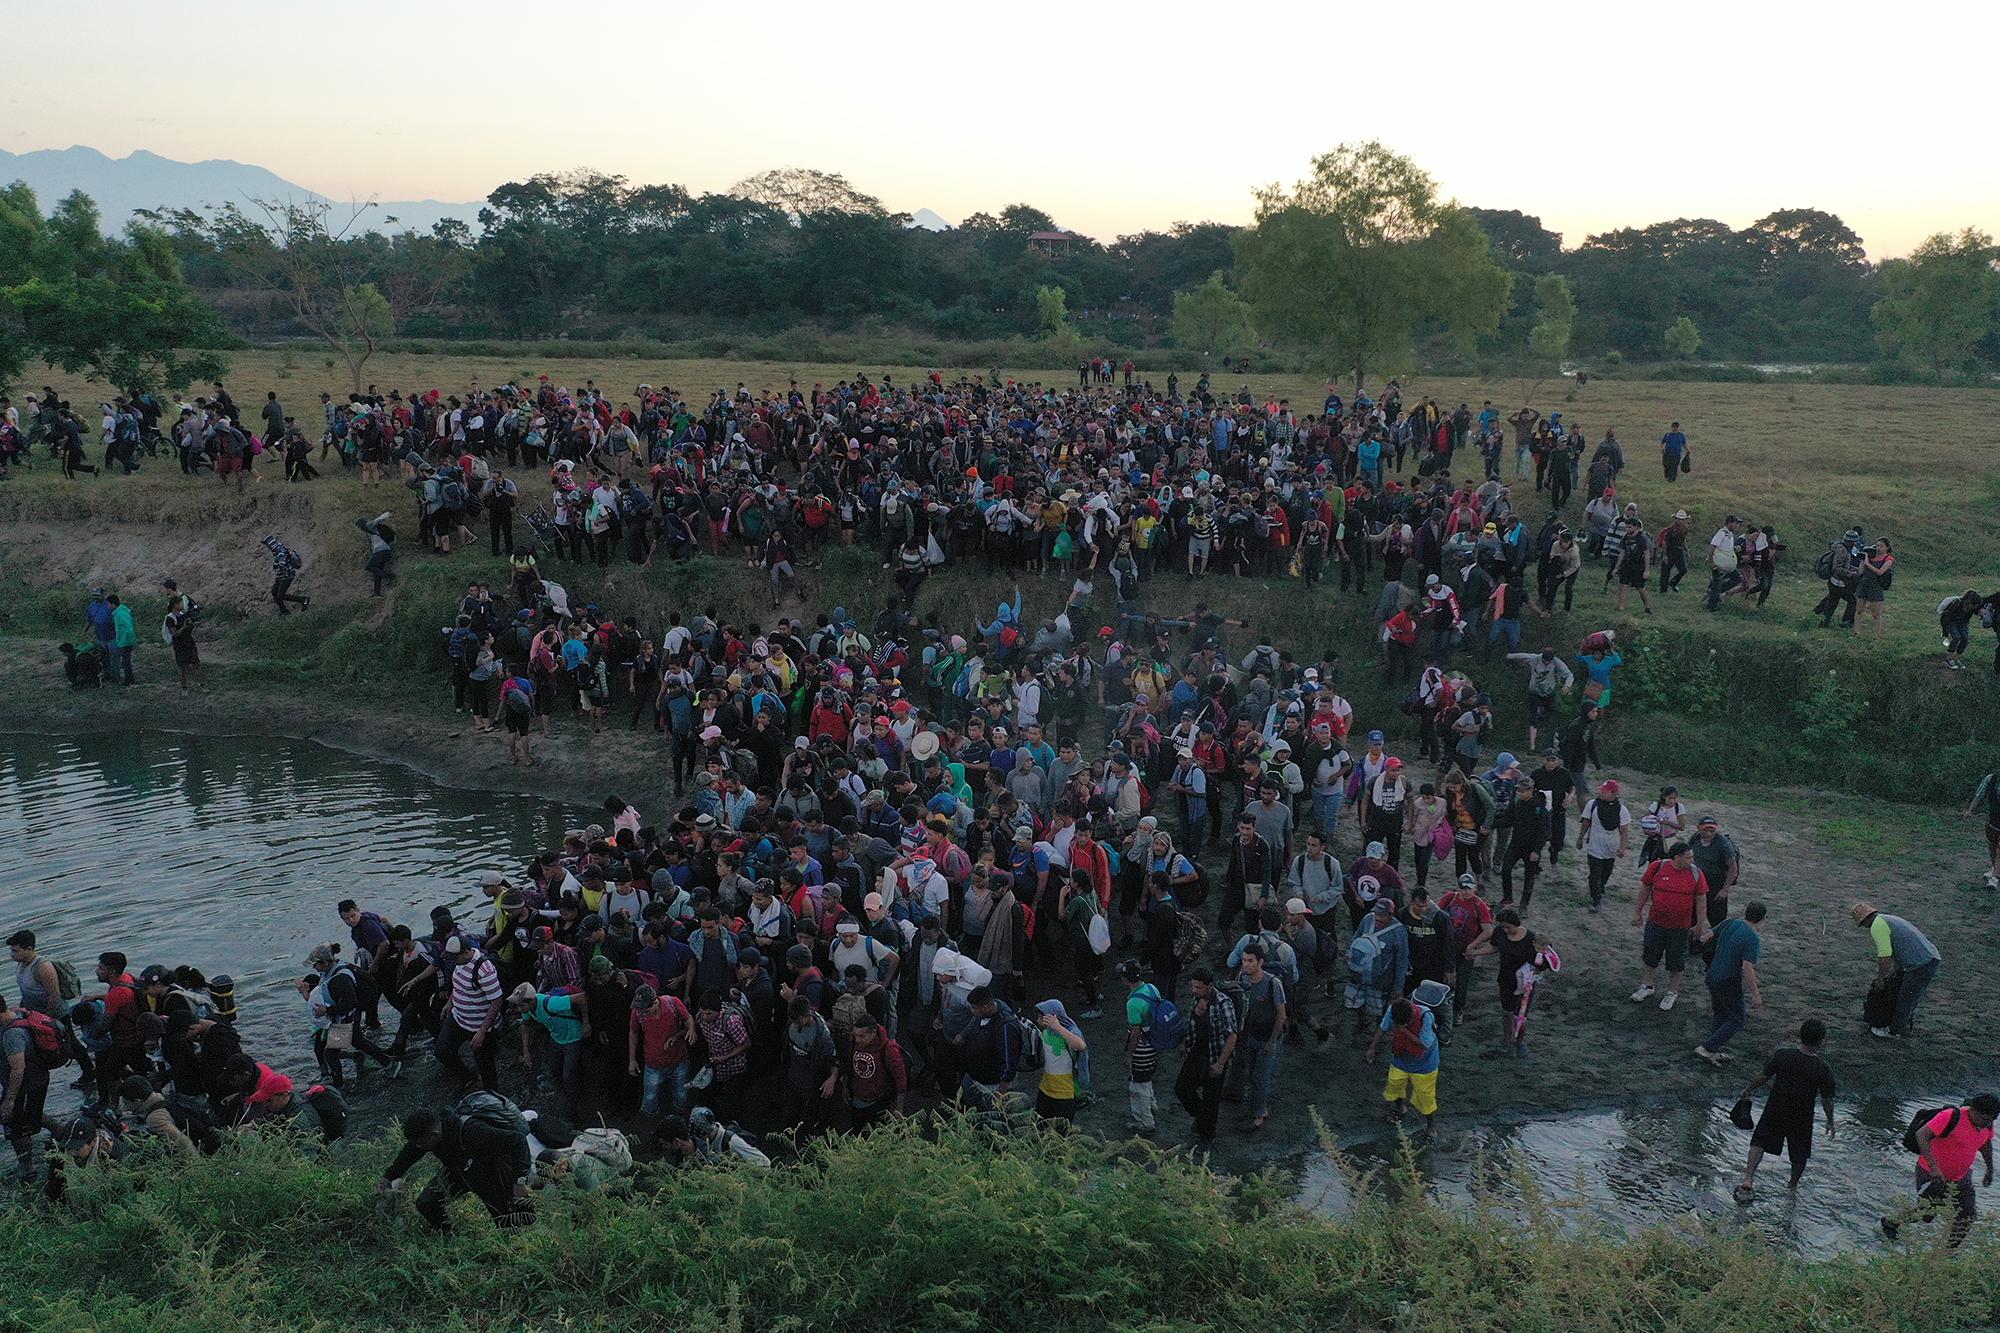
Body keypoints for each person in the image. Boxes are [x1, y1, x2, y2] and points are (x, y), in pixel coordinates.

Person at [377, 1093, 534, 1232]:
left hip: (492, 1171)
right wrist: (389, 1176)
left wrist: (520, 1181)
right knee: (427, 1203)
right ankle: (450, 1236)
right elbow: (409, 1153)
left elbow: (518, 1141)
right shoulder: (428, 1135)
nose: (417, 1147)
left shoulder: (472, 1131)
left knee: (508, 1224)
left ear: (433, 1135)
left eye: (420, 1143)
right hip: (458, 1171)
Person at [1733, 1018, 1837, 1203]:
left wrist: (1747, 1090)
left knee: (1759, 1141)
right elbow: (1827, 1099)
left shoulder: (1782, 1055)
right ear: (1821, 1041)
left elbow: (1763, 1076)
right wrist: (1830, 1120)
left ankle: (1748, 1178)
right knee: (1800, 1153)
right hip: (1802, 1116)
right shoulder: (1822, 1068)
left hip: (1776, 1108)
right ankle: (1792, 1186)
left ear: (1801, 1036)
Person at [1882, 1094, 1998, 1249]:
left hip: (1961, 1177)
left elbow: (1985, 1144)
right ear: (1973, 1110)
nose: (1987, 1124)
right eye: (1984, 1119)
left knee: (1967, 1216)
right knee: (1927, 1213)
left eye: (1991, 1120)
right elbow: (1922, 1134)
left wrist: (1990, 1169)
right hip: (1931, 1173)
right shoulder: (1951, 1116)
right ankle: (1890, 1223)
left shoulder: (1986, 1124)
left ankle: (1947, 1254)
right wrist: (1934, 1167)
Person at [1631, 841, 1705, 1012]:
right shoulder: (1657, 867)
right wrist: (1637, 912)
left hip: (1680, 927)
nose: (1692, 860)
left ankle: (1672, 991)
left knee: (1676, 960)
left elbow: (1701, 900)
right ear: (1677, 857)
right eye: (1689, 857)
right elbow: (1645, 890)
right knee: (1650, 954)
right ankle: (1647, 985)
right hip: (1656, 923)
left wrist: (1700, 925)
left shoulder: (1696, 874)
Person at [1851, 902, 1940, 1039]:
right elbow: (1899, 947)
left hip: (1921, 963)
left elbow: (1885, 956)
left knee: (1905, 999)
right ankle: (1901, 1026)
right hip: (1929, 957)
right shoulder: (1887, 919)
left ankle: (1893, 1032)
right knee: (1907, 995)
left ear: (1864, 920)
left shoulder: (1877, 926)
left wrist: (1881, 979)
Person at [1694, 901, 1765, 1064]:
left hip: (1712, 975)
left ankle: (1711, 1049)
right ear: (1762, 919)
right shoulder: (1752, 938)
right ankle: (1707, 1048)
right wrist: (1755, 994)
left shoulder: (1732, 922)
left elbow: (1708, 935)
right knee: (1737, 1019)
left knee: (1721, 1013)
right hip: (1728, 981)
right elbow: (1747, 967)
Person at [1175, 967, 1238, 1148]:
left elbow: (1232, 1035)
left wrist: (1220, 1064)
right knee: (1182, 1089)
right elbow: (1191, 1025)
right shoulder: (1197, 999)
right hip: (1197, 1051)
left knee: (1211, 1097)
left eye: (1199, 987)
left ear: (1209, 986)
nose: (1195, 990)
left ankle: (1208, 1136)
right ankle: (1204, 1121)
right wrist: (1184, 1045)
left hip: (1216, 1054)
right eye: (1193, 986)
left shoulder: (1222, 1003)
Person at [1228, 942, 1286, 1133]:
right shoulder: (1241, 978)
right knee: (1252, 1073)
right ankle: (1257, 1107)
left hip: (1266, 1037)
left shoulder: (1272, 984)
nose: (1246, 964)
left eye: (1250, 961)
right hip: (1248, 1035)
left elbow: (1281, 1014)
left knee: (1260, 1076)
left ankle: (1259, 1114)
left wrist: (1272, 1042)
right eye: (1244, 960)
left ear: (1260, 962)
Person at [1366, 996, 1440, 1139]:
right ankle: (1400, 1108)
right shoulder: (1393, 1010)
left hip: (1425, 1063)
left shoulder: (1426, 1016)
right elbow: (1382, 1028)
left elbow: (1424, 1044)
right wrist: (1372, 1048)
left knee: (1425, 1095)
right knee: (1395, 1084)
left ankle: (1431, 1124)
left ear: (1412, 1014)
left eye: (1406, 1023)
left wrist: (1403, 1030)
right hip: (1401, 1058)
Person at [1119, 959, 1165, 1135]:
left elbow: (1135, 1033)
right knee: (1147, 1079)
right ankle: (1152, 1105)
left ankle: (1145, 1121)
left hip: (1142, 1049)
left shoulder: (1132, 1004)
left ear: (1124, 979)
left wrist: (1129, 1056)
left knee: (1138, 1085)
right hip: (1155, 1043)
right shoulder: (1152, 988)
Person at [1030, 999, 1088, 1123]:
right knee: (1040, 1126)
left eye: (1042, 1017)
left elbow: (1080, 1045)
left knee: (1061, 1131)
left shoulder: (1070, 1031)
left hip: (1065, 1092)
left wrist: (1057, 1027)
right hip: (1046, 1089)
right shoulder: (1046, 1032)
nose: (1039, 1020)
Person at [1577, 780, 1629, 911]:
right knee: (1594, 874)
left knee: (1606, 872)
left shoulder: (1622, 810)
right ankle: (1596, 900)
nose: (1601, 793)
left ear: (1614, 794)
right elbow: (1586, 822)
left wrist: (1622, 848)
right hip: (1595, 845)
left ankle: (1600, 887)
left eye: (1604, 791)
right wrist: (1580, 838)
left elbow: (1624, 831)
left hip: (1611, 847)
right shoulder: (1592, 804)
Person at [1966, 766, 2000, 890]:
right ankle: (1994, 868)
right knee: (1992, 846)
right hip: (1993, 819)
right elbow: (1979, 795)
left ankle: (1995, 879)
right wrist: (1970, 810)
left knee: (1999, 849)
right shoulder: (1990, 779)